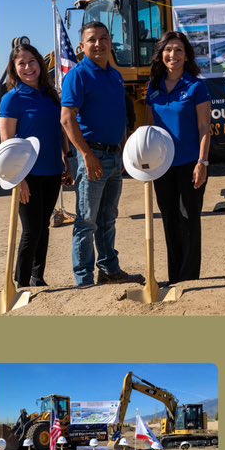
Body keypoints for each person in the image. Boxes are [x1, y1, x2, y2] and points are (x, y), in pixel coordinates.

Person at [61, 21, 142, 288]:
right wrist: (86, 155)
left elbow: (119, 116)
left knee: (108, 219)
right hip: (92, 158)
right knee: (86, 222)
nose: (99, 44)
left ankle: (109, 269)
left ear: (110, 42)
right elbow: (67, 119)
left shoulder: (115, 76)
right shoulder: (78, 76)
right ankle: (83, 280)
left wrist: (122, 153)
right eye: (92, 39)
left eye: (104, 38)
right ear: (82, 46)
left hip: (113, 157)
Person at [0, 41, 70, 287]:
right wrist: (19, 178)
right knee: (31, 230)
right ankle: (21, 281)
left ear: (40, 64)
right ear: (13, 68)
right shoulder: (12, 99)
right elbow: (7, 141)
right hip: (26, 174)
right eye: (21, 64)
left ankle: (38, 276)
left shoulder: (51, 96)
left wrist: (65, 159)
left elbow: (58, 131)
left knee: (44, 227)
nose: (28, 67)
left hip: (52, 171)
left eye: (32, 62)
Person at [146, 32, 212, 284]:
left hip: (190, 165)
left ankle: (189, 278)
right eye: (168, 50)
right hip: (162, 167)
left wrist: (202, 162)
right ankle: (175, 277)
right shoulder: (154, 86)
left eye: (178, 50)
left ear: (186, 56)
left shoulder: (196, 86)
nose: (172, 55)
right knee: (170, 220)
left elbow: (204, 127)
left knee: (189, 220)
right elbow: (150, 127)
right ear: (161, 54)